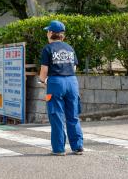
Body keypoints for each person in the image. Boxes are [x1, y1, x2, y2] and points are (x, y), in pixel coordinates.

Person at [39, 20, 84, 155]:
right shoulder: (70, 48)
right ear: (62, 35)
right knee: (73, 115)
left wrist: (42, 81)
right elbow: (74, 67)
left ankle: (59, 149)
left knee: (57, 115)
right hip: (72, 82)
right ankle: (78, 147)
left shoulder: (47, 49)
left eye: (48, 31)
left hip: (56, 83)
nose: (47, 33)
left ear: (51, 33)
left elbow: (44, 70)